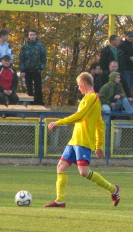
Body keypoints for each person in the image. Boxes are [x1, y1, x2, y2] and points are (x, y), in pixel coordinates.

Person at [44, 72, 120, 207]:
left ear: (84, 84)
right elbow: (99, 123)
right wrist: (99, 145)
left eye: (79, 85)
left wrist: (58, 123)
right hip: (74, 140)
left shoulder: (92, 98)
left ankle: (113, 189)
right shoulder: (86, 99)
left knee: (84, 172)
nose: (79, 88)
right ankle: (60, 200)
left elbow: (84, 118)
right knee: (61, 166)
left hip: (84, 140)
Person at [19, 29, 47, 105]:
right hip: (27, 70)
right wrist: (22, 70)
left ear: (36, 35)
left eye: (33, 34)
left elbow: (43, 58)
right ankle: (31, 103)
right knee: (29, 88)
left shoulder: (40, 46)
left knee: (38, 87)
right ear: (28, 36)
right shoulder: (25, 47)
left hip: (37, 70)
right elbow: (21, 59)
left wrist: (41, 67)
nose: (32, 36)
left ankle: (39, 103)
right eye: (30, 35)